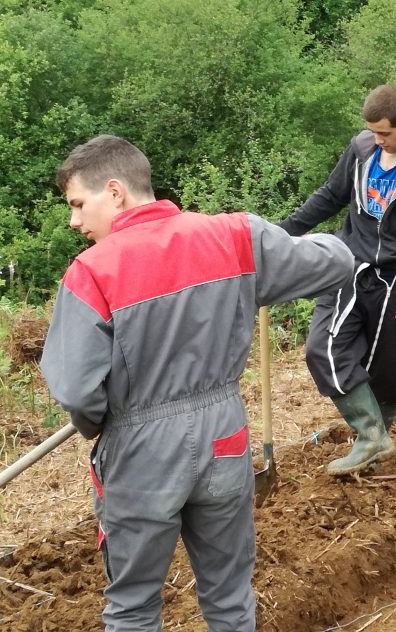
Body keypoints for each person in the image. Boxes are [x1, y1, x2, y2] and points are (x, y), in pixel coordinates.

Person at [39, 135, 354, 631]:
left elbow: (78, 392)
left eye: (78, 204)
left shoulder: (92, 272)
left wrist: (108, 422)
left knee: (134, 606)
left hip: (139, 449)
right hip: (224, 437)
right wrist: (300, 241)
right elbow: (335, 262)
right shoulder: (234, 236)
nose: (75, 220)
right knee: (229, 596)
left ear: (115, 191)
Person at [278, 85, 396, 476]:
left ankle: (376, 446)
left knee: (386, 364)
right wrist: (281, 233)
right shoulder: (362, 150)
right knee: (321, 348)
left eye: (385, 134)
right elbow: (329, 196)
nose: (378, 141)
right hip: (351, 264)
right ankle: (371, 433)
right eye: (373, 133)